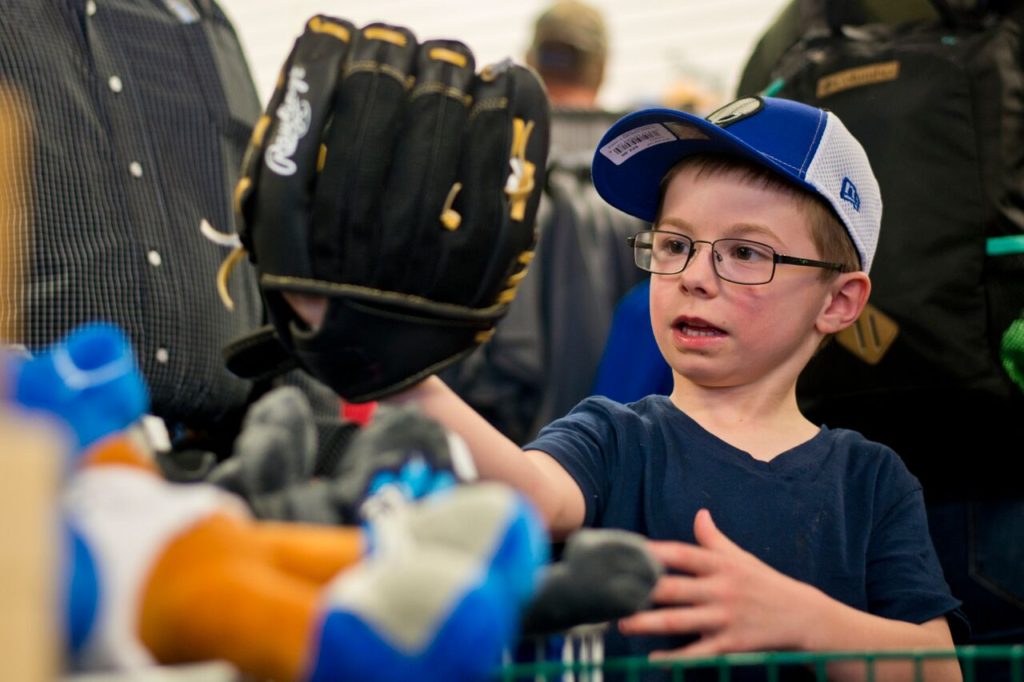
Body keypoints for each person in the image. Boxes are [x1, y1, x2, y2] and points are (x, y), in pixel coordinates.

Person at [365, 96, 964, 680]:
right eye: (675, 244)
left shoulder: (872, 482)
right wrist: (395, 370)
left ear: (838, 301)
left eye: (745, 252)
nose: (694, 277)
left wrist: (806, 622)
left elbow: (938, 666)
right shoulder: (612, 438)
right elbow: (530, 496)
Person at [0, 0, 346, 472]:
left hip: (223, 479)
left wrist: (326, 455)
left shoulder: (205, 21)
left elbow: (261, 262)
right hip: (39, 476)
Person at [441, 0, 646, 444]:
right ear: (601, 69)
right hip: (625, 446)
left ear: (532, 61)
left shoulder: (475, 164)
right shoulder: (654, 174)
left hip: (490, 444)